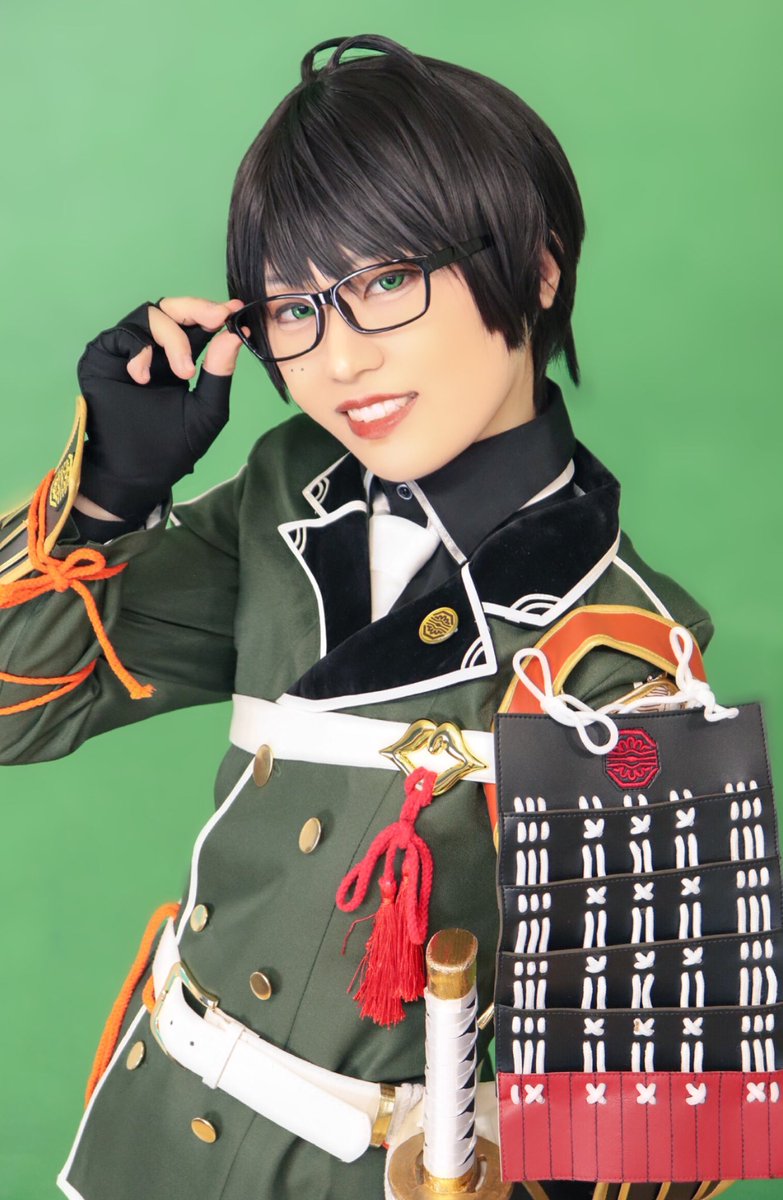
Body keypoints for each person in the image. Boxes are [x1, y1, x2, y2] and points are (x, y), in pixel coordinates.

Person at [0, 33, 716, 1200]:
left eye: (387, 282)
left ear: (539, 268)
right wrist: (107, 499)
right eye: (296, 308)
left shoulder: (626, 664)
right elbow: (11, 709)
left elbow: (664, 1137)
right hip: (144, 1144)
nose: (338, 360)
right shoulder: (285, 495)